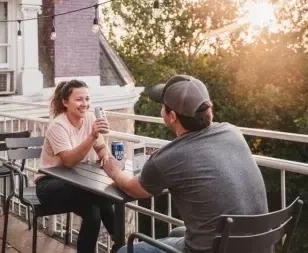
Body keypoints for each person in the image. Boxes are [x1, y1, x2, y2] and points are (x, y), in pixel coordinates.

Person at [102, 75, 269, 253]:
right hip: (257, 246)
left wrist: (114, 171)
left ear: (172, 116)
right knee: (176, 232)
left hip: (212, 250)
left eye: (163, 107)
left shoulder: (170, 157)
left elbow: (131, 188)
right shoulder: (232, 132)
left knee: (123, 251)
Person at [35, 80, 116, 253]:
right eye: (79, 99)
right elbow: (69, 161)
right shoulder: (58, 125)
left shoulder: (90, 118)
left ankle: (121, 243)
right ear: (65, 102)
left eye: (87, 99)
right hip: (49, 185)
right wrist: (92, 136)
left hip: (76, 183)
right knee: (101, 195)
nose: (85, 104)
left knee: (94, 211)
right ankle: (122, 243)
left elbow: (102, 149)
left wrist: (106, 158)